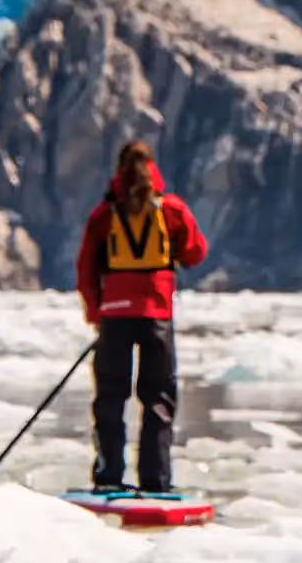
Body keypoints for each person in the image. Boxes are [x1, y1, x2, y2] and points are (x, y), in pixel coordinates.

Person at [74, 141, 209, 496]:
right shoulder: (171, 210)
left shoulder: (104, 215)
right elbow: (196, 251)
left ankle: (108, 476)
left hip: (114, 317)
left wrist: (95, 312)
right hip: (156, 317)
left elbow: (86, 269)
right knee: (158, 400)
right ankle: (156, 480)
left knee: (110, 398)